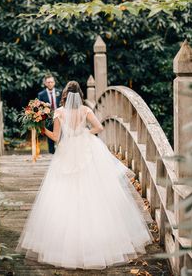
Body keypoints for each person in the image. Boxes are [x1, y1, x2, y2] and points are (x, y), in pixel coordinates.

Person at [16, 81, 152, 270]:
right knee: (94, 191)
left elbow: (56, 138)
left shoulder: (59, 112)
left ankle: (65, 247)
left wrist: (41, 129)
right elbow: (100, 128)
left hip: (66, 151)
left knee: (63, 192)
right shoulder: (85, 110)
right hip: (85, 148)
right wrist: (85, 133)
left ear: (64, 95)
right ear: (80, 94)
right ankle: (99, 243)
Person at [37, 74, 62, 154]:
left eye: (51, 82)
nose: (50, 84)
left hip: (60, 117)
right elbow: (39, 107)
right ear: (45, 83)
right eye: (48, 82)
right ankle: (51, 155)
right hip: (48, 119)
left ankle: (61, 153)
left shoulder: (60, 92)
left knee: (61, 136)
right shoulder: (41, 94)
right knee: (50, 138)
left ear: (54, 82)